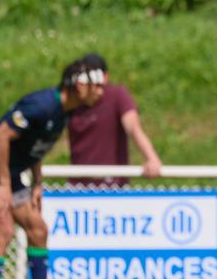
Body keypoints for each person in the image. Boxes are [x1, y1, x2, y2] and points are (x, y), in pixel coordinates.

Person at [0, 59, 104, 279]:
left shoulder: (66, 111)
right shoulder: (40, 105)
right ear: (79, 84)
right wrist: (4, 186)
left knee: (38, 230)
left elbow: (35, 147)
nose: (101, 91)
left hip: (11, 174)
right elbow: (0, 137)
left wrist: (37, 182)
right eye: (97, 86)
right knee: (3, 229)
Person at [67, 53, 163, 186]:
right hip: (78, 188)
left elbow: (133, 128)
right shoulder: (73, 101)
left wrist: (151, 158)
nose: (95, 89)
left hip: (113, 188)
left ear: (105, 78)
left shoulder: (117, 96)